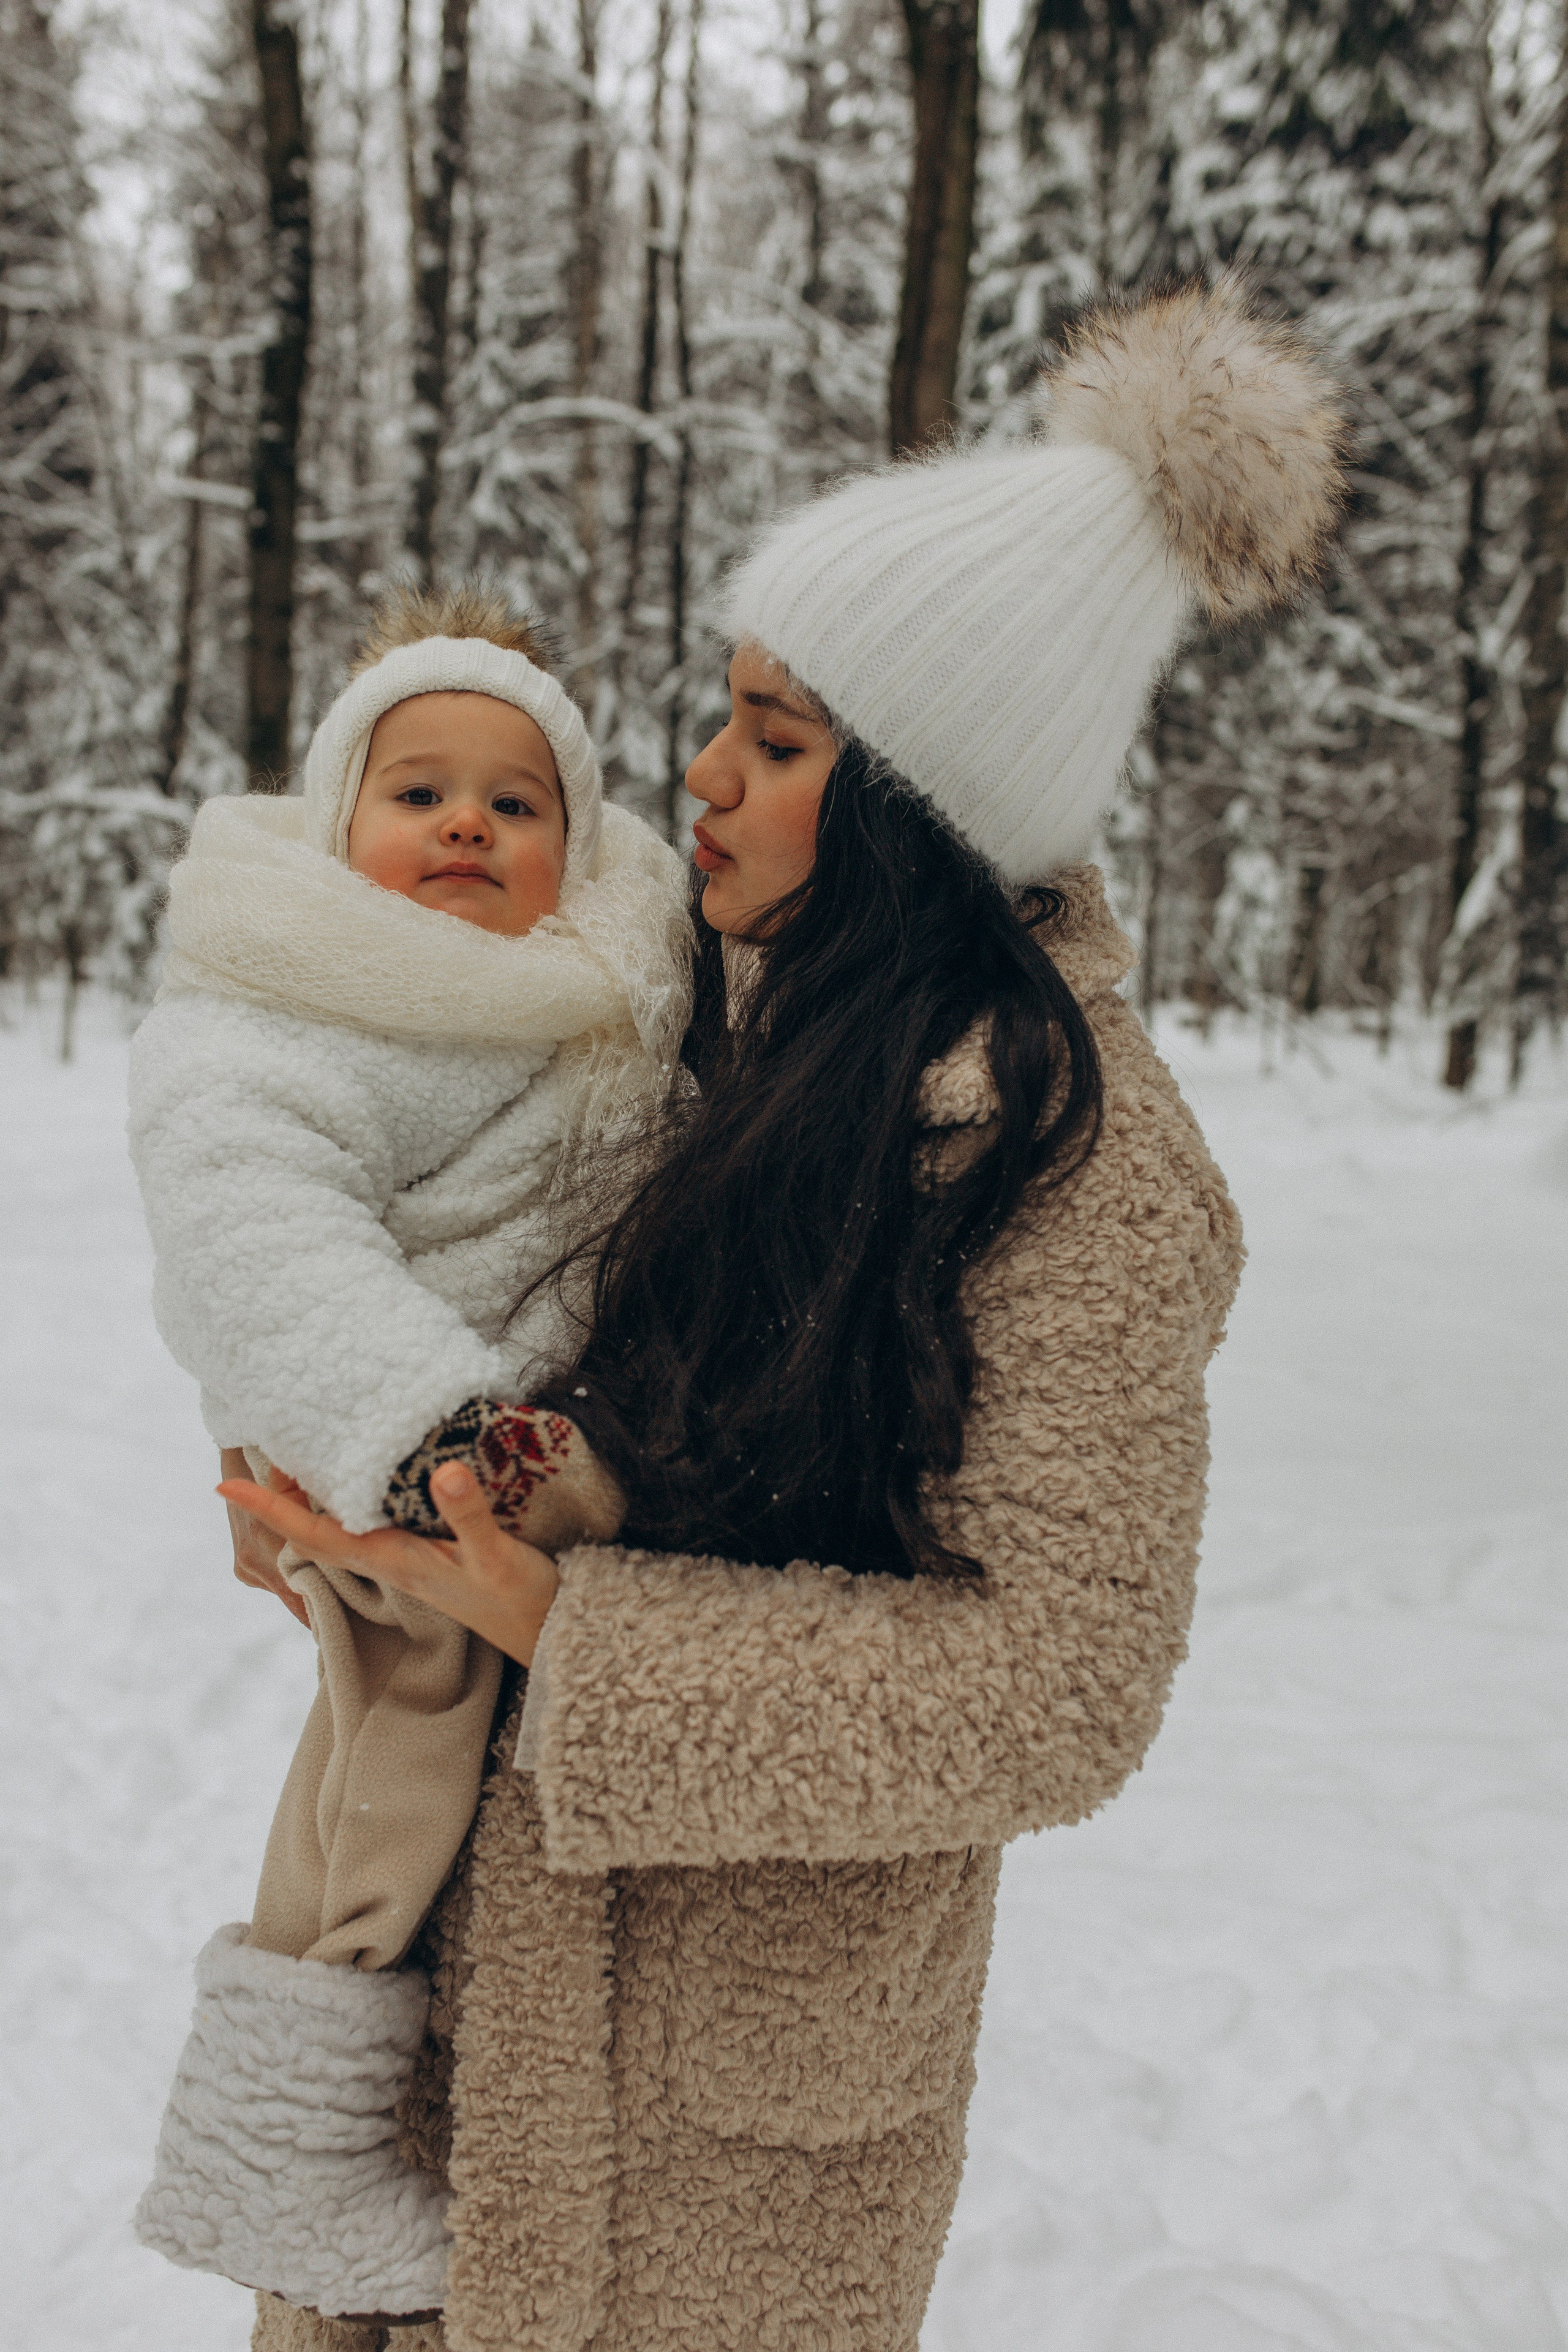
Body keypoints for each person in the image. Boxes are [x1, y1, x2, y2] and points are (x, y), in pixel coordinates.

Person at [222, 279, 1344, 2350]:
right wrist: (366, 1520)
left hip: (723, 2122)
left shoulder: (1070, 1166)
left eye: (780, 737)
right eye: (724, 713)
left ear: (920, 803)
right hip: (486, 1969)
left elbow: (1069, 1684)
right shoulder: (713, 1031)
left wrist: (587, 1640)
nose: (704, 774)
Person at [127, 584, 690, 2318]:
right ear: (336, 822)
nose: (467, 825)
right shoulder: (283, 998)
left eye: (517, 805)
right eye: (420, 791)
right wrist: (417, 1429)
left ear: (573, 846)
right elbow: (249, 1225)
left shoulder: (599, 990)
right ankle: (283, 2136)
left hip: (515, 1465)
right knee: (393, 1763)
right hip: (394, 1456)